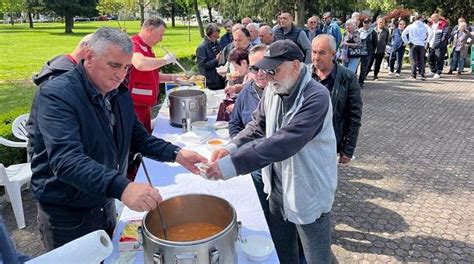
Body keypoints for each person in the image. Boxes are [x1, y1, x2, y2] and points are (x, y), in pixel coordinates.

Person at [29, 27, 207, 251]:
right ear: (90, 57)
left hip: (103, 200)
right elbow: (67, 160)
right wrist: (122, 187)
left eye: (126, 67)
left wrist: (176, 153)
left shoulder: (117, 92)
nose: (120, 75)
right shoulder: (57, 94)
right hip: (67, 212)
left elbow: (138, 138)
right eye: (114, 65)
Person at [205, 40, 338, 263]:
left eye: (274, 70)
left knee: (317, 256)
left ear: (295, 66)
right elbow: (257, 125)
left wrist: (232, 165)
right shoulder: (274, 89)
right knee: (283, 250)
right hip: (277, 187)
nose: (268, 76)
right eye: (266, 70)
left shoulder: (316, 97)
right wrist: (230, 148)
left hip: (309, 189)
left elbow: (283, 142)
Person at [228, 44, 270, 219]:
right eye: (254, 68)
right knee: (258, 210)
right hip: (253, 164)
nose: (259, 73)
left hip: (279, 169)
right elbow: (234, 123)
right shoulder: (247, 90)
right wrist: (239, 148)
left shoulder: (284, 93)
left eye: (264, 66)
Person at [311, 34, 363, 164]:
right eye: (314, 52)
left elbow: (354, 116)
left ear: (333, 54)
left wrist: (348, 149)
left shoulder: (348, 78)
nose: (316, 57)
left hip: (329, 143)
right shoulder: (303, 75)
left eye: (322, 53)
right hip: (304, 143)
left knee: (324, 182)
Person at [125, 17, 180, 133]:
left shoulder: (148, 48)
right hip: (134, 105)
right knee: (137, 138)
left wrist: (173, 78)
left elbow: (152, 75)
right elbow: (140, 64)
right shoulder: (134, 44)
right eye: (160, 35)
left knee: (146, 134)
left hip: (144, 103)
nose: (161, 39)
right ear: (150, 29)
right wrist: (165, 60)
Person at [402, 15, 433, 80]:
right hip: (421, 44)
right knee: (421, 60)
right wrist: (427, 41)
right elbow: (431, 33)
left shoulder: (410, 26)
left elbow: (403, 34)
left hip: (413, 44)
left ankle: (413, 75)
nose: (423, 19)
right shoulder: (425, 25)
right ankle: (422, 75)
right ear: (420, 19)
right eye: (422, 18)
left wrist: (407, 42)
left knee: (413, 60)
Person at [196, 23, 225, 90]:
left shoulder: (217, 43)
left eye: (218, 36)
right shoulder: (202, 47)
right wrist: (216, 60)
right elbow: (202, 66)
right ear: (210, 34)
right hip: (210, 82)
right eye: (215, 36)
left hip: (220, 79)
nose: (217, 38)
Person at [426, 13, 450, 79]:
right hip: (431, 44)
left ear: (437, 18)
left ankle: (438, 72)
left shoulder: (443, 24)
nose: (432, 19)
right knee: (430, 58)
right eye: (431, 18)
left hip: (440, 45)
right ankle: (433, 71)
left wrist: (442, 39)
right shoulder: (430, 24)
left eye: (434, 18)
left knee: (439, 59)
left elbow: (446, 33)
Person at [358, 18, 377, 88]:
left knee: (364, 68)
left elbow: (375, 43)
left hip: (367, 53)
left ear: (370, 24)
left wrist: (371, 51)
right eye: (365, 22)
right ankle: (354, 81)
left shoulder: (373, 32)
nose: (366, 24)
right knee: (356, 67)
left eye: (368, 23)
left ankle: (361, 82)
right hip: (358, 52)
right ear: (363, 23)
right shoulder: (359, 31)